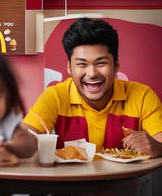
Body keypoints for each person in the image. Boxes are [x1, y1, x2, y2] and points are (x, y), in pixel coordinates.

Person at [22, 18, 162, 158]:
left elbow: (160, 142)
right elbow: (22, 139)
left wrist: (158, 147)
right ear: (69, 68)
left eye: (101, 63)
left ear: (116, 65)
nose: (92, 73)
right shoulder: (55, 96)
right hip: (70, 180)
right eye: (82, 64)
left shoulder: (142, 96)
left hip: (129, 180)